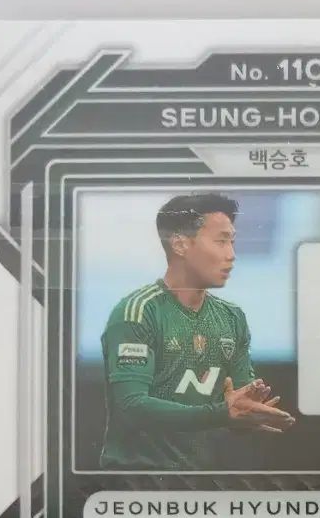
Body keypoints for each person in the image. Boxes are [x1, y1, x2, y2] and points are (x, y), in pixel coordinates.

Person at [98, 193, 294, 470]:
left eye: (232, 242)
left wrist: (249, 415)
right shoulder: (138, 311)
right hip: (137, 479)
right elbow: (132, 406)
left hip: (201, 479)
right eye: (221, 241)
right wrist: (223, 414)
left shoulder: (231, 317)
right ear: (180, 244)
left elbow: (235, 403)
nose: (232, 255)